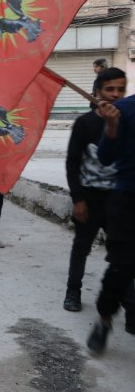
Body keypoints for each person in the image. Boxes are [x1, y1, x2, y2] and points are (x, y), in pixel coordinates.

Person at [64, 68, 130, 312]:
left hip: (120, 200)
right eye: (109, 89)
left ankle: (127, 301)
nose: (115, 94)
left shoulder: (128, 119)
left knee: (123, 253)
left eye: (120, 89)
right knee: (81, 247)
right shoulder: (85, 123)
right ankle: (73, 291)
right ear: (98, 92)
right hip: (90, 198)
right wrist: (78, 199)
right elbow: (72, 163)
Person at [87, 84, 135, 353]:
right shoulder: (124, 110)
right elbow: (104, 157)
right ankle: (104, 319)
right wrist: (112, 126)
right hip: (128, 200)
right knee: (121, 267)